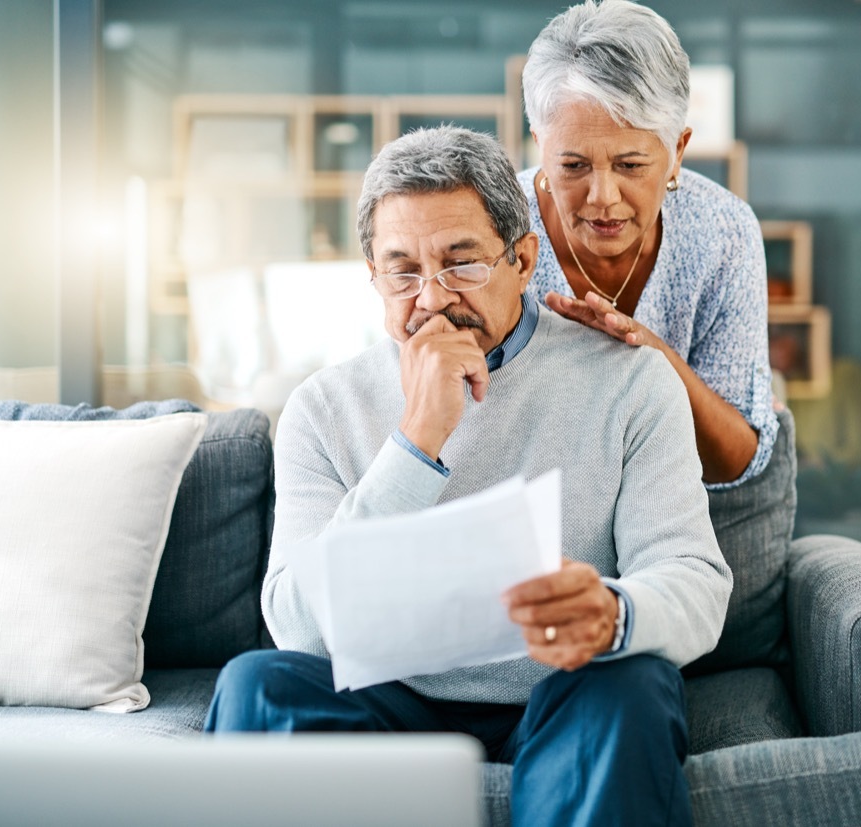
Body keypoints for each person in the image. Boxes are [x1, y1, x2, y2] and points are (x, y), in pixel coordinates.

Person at [203, 126, 732, 827]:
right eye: (402, 271)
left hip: (565, 693)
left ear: (522, 258)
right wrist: (417, 439)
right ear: (372, 276)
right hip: (387, 697)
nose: (431, 298)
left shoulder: (630, 382)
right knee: (256, 684)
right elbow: (298, 626)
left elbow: (694, 581)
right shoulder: (323, 407)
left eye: (461, 263)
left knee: (636, 684)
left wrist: (614, 612)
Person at [520, 0, 779, 486]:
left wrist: (648, 355)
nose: (602, 198)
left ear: (677, 151)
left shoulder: (721, 231)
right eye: (572, 165)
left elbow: (737, 461)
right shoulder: (496, 223)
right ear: (540, 144)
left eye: (630, 166)